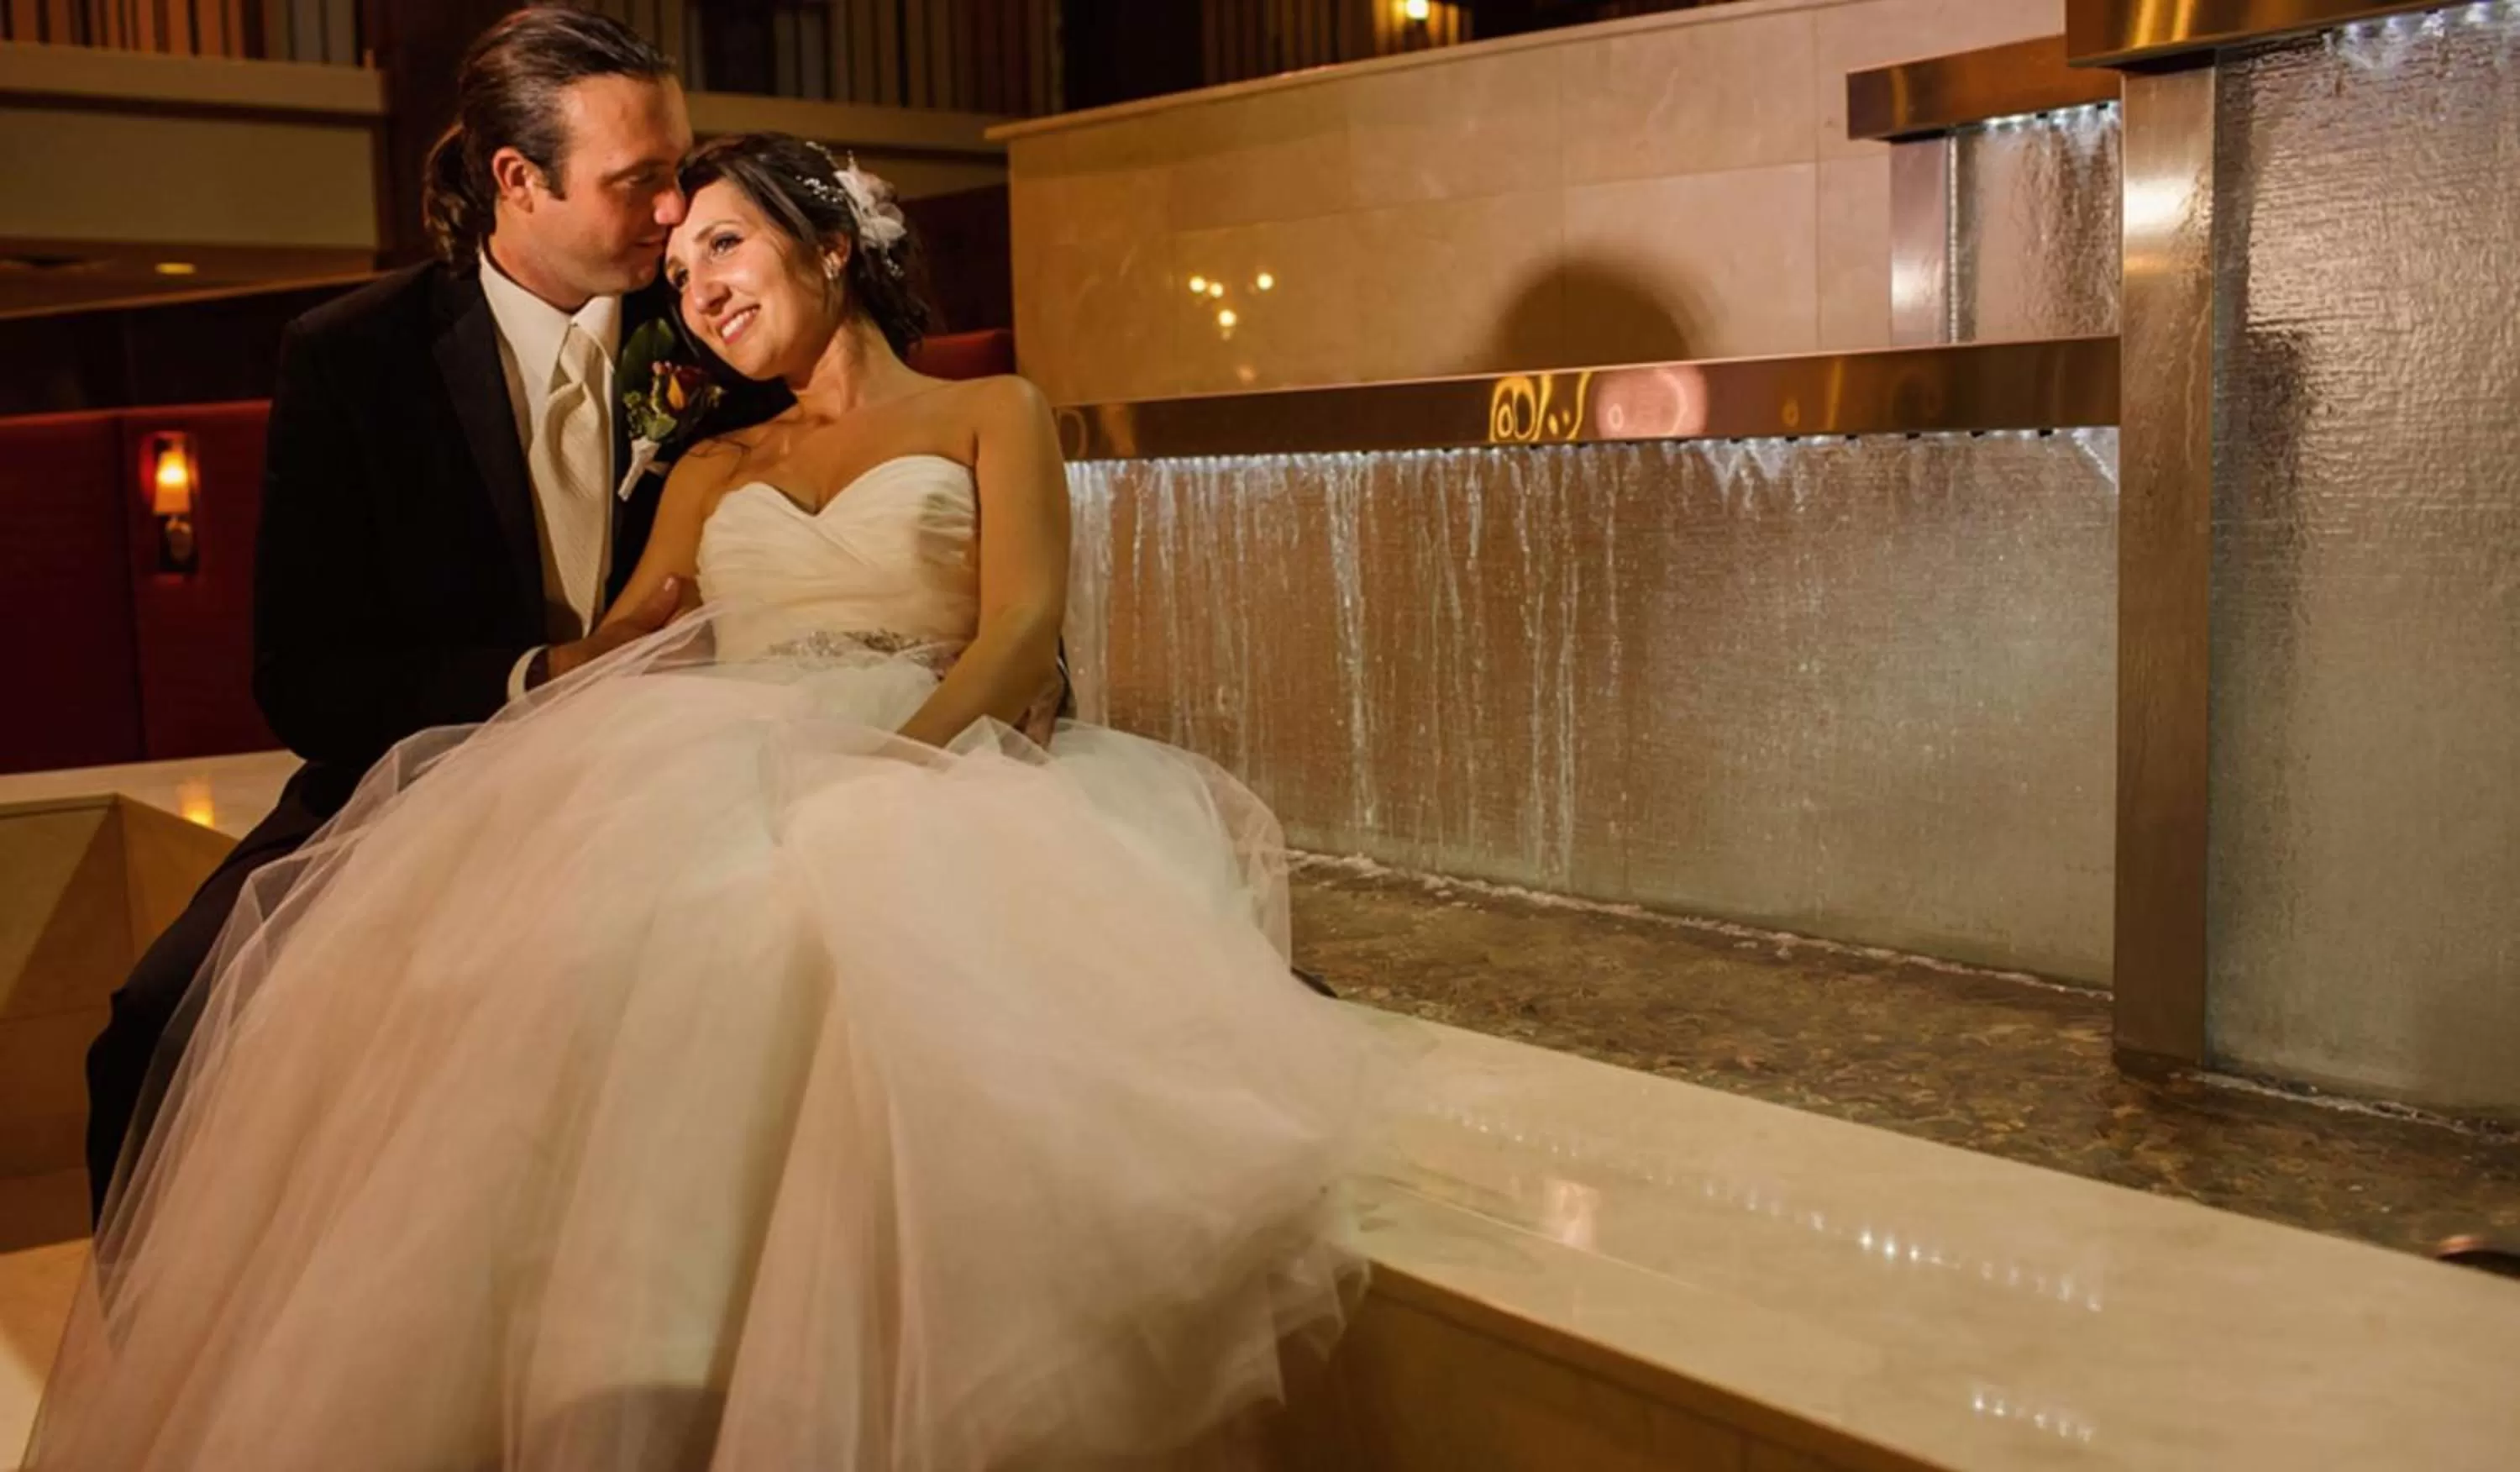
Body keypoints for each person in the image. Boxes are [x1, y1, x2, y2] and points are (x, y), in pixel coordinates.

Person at [27, 131, 1378, 1470]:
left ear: (833, 244)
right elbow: (623, 643)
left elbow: (1021, 626)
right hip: (732, 749)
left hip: (934, 750)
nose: (698, 287)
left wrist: (901, 762)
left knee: (832, 938)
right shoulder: (709, 467)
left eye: (723, 244)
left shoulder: (990, 412)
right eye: (677, 269)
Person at [80, 5, 786, 1223]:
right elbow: (306, 679)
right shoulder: (356, 357)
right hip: (433, 774)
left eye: (682, 169)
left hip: (697, 773)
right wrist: (544, 673)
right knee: (158, 1023)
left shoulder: (720, 333)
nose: (679, 213)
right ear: (518, 179)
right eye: (643, 180)